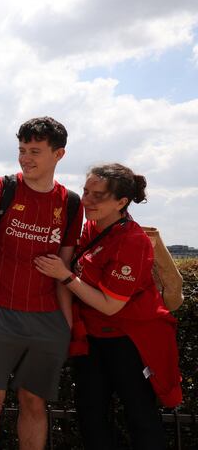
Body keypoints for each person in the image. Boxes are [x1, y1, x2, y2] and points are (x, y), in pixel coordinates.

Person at [35, 163, 182, 450]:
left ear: (121, 202)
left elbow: (111, 305)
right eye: (86, 192)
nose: (86, 200)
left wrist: (65, 276)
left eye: (97, 195)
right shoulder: (90, 228)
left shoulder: (132, 241)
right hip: (92, 338)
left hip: (128, 341)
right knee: (91, 416)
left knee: (140, 414)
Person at [0, 117, 83, 450]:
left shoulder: (71, 203)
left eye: (35, 151)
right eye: (21, 150)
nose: (25, 158)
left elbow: (64, 267)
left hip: (48, 320)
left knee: (34, 403)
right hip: (0, 312)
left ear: (59, 154)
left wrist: (65, 323)